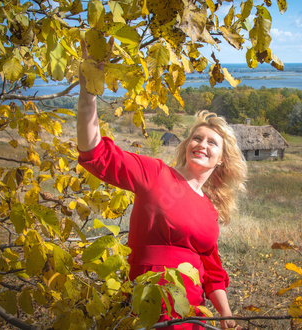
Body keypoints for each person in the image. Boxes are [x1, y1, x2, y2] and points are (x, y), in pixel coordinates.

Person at [77, 40, 247, 330]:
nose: (202, 145)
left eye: (212, 143)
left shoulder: (210, 209)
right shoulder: (156, 174)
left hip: (191, 314)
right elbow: (97, 153)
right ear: (187, 145)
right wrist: (88, 93)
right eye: (197, 138)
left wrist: (226, 314)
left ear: (221, 159)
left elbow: (212, 271)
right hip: (145, 302)